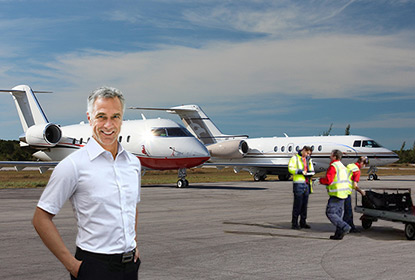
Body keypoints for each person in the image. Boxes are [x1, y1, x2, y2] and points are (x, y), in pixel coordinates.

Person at [32, 86, 142, 279]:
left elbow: (131, 207)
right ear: (90, 118)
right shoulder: (73, 165)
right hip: (94, 267)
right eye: (101, 117)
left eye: (115, 116)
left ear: (122, 118)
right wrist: (73, 266)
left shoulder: (132, 163)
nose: (109, 125)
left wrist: (133, 242)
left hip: (130, 266)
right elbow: (40, 219)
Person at [319, 149, 351, 240]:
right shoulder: (343, 167)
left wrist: (320, 180)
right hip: (344, 193)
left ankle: (345, 227)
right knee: (338, 214)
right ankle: (338, 234)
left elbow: (329, 180)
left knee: (330, 213)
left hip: (336, 193)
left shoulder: (333, 166)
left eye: (331, 155)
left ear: (334, 156)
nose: (330, 156)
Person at [288, 146, 315, 229]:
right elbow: (290, 168)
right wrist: (300, 172)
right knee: (297, 204)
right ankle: (294, 223)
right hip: (299, 183)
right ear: (303, 150)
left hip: (307, 183)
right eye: (307, 153)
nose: (307, 155)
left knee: (304, 205)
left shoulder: (308, 159)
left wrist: (311, 172)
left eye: (309, 154)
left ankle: (303, 222)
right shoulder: (295, 158)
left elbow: (312, 169)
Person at [343, 156, 368, 233]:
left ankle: (346, 226)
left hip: (339, 189)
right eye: (365, 164)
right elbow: (355, 186)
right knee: (348, 211)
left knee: (344, 211)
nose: (365, 166)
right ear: (362, 163)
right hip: (345, 191)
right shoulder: (357, 171)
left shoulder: (350, 165)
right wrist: (362, 192)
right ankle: (348, 228)